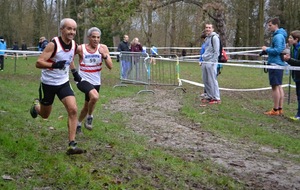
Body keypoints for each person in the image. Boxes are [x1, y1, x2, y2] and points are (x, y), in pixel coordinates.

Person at [29, 18, 85, 155]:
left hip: (63, 83)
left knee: (73, 109)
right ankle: (37, 107)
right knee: (45, 115)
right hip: (48, 84)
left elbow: (70, 59)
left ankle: (72, 144)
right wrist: (53, 65)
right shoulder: (53, 45)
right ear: (62, 30)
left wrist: (75, 73)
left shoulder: (73, 45)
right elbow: (38, 62)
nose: (72, 32)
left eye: (74, 29)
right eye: (69, 29)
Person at [76, 27, 113, 134]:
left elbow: (110, 66)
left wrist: (104, 55)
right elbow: (69, 57)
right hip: (82, 80)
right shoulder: (81, 48)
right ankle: (90, 117)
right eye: (93, 37)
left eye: (98, 37)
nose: (96, 39)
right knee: (95, 96)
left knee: (86, 105)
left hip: (96, 81)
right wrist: (74, 71)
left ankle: (78, 124)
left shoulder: (103, 48)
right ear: (88, 37)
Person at [262, 18, 287, 116]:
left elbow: (277, 50)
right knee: (279, 86)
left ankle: (275, 109)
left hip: (275, 64)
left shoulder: (278, 37)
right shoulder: (280, 36)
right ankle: (279, 108)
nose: (269, 27)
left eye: (270, 25)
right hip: (278, 63)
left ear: (276, 25)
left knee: (275, 87)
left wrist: (267, 49)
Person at [199, 23, 221, 106]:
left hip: (211, 62)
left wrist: (213, 61)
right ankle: (209, 96)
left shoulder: (215, 38)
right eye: (206, 27)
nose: (207, 29)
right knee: (205, 79)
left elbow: (216, 52)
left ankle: (216, 98)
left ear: (212, 29)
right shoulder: (207, 38)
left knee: (212, 80)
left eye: (209, 27)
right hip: (205, 61)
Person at [283, 30, 300, 120]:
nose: (288, 39)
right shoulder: (292, 48)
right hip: (296, 76)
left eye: (290, 38)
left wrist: (289, 60)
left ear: (296, 39)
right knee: (298, 94)